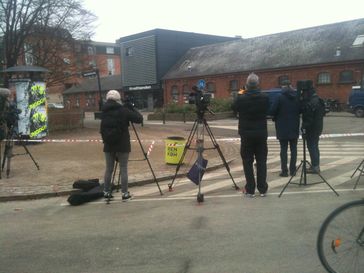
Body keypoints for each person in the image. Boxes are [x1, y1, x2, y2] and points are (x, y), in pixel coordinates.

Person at [100, 90, 143, 201]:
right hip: (122, 144)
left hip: (108, 144)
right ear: (118, 99)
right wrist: (131, 108)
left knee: (109, 169)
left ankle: (106, 191)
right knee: (123, 168)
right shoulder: (123, 110)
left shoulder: (104, 111)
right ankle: (124, 193)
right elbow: (139, 119)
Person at [232, 73, 270, 197]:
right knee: (261, 161)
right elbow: (268, 110)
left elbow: (234, 108)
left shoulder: (241, 97)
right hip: (261, 134)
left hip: (246, 134)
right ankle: (262, 189)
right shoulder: (264, 97)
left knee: (247, 161)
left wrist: (241, 92)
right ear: (258, 84)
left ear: (247, 85)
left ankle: (250, 189)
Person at [270, 80, 300, 177]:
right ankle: (293, 170)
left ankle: (284, 171)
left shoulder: (279, 97)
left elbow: (272, 110)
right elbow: (300, 110)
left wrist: (275, 116)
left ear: (283, 87)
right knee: (294, 149)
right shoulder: (296, 97)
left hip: (282, 127)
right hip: (294, 126)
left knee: (283, 149)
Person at [301, 85, 326, 174]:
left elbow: (308, 119)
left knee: (312, 147)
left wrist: (303, 128)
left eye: (304, 93)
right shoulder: (319, 100)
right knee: (315, 146)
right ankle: (316, 165)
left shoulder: (311, 103)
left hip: (311, 129)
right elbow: (323, 113)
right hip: (318, 127)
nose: (303, 95)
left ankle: (315, 167)